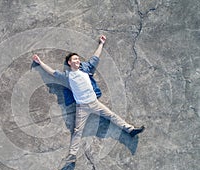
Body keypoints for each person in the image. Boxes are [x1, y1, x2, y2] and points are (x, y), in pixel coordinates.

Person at [32, 35, 145, 163]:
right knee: (77, 131)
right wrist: (40, 62)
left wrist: (101, 44)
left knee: (112, 116)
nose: (78, 60)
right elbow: (52, 73)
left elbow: (95, 58)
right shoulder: (67, 76)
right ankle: (72, 155)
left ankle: (130, 130)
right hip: (82, 107)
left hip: (95, 103)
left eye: (78, 59)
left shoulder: (85, 69)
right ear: (69, 62)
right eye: (75, 59)